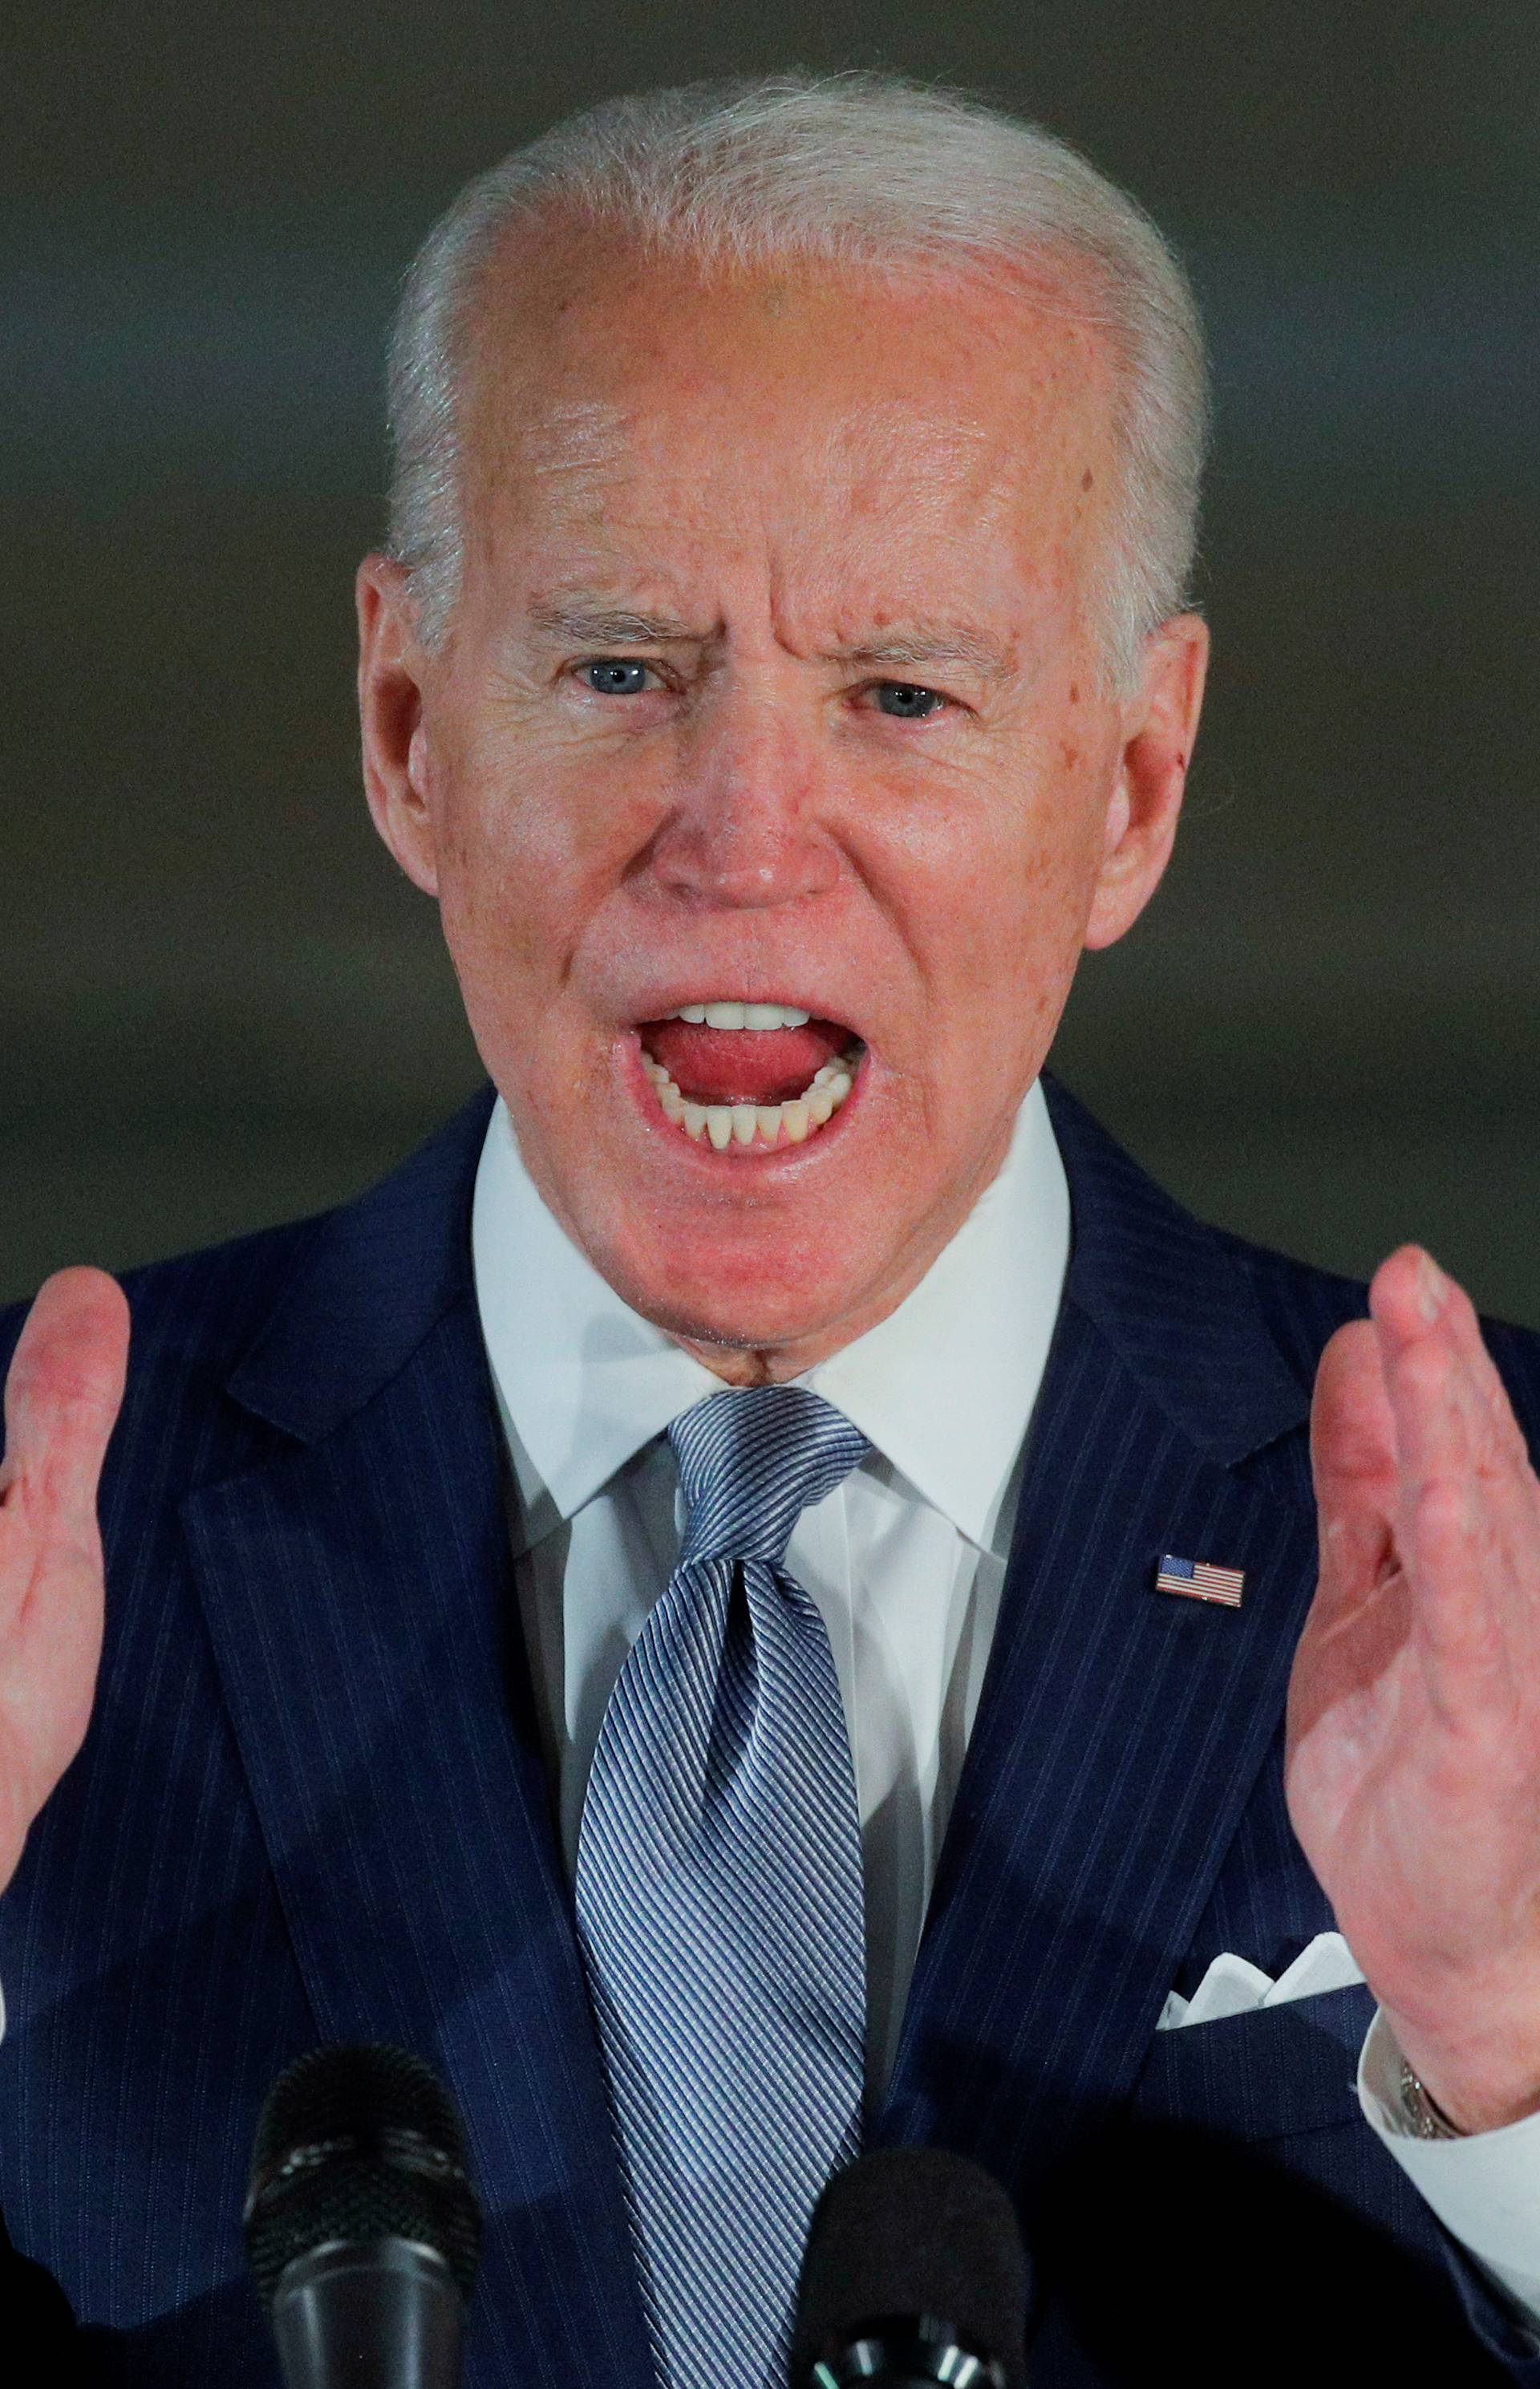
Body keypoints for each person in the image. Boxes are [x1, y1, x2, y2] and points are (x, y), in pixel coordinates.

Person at [2, 72, 1538, 2388]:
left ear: (1129, 785)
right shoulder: (41, 1551)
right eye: (622, 670)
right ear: (410, 722)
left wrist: (1515, 2040)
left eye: (903, 694)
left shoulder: (1513, 1560)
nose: (743, 838)